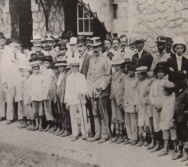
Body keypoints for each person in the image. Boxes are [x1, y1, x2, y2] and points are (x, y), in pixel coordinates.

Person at [87, 37, 112, 144]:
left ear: (101, 47)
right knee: (95, 113)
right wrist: (88, 88)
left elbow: (108, 76)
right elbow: (89, 75)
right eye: (93, 47)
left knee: (103, 113)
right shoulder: (91, 60)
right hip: (93, 91)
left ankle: (105, 134)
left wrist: (102, 86)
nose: (95, 49)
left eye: (97, 47)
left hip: (102, 91)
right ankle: (97, 134)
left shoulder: (106, 60)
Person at [1, 38, 28, 124]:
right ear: (9, 46)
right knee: (9, 98)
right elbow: (2, 69)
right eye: (13, 44)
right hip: (9, 78)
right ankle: (10, 116)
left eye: (16, 44)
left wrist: (24, 76)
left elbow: (26, 67)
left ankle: (21, 116)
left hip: (19, 78)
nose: (15, 46)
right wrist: (4, 81)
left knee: (19, 97)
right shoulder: (5, 56)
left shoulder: (22, 56)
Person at [65, 59, 88, 141]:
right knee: (73, 117)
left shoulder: (82, 76)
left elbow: (85, 87)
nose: (74, 68)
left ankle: (84, 133)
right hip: (72, 99)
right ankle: (75, 133)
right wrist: (67, 101)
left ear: (78, 67)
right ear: (70, 67)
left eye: (76, 67)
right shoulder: (68, 78)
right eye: (73, 66)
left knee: (83, 116)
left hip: (80, 99)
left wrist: (82, 93)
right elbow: (67, 90)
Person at [149, 62, 168, 152]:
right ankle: (157, 143)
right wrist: (154, 104)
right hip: (155, 105)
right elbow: (151, 94)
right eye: (158, 72)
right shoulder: (154, 82)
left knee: (163, 124)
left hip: (163, 106)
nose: (160, 73)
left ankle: (165, 145)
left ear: (164, 73)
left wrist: (162, 105)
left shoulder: (166, 82)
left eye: (162, 72)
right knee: (156, 124)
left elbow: (167, 95)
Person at [172, 72, 188, 161]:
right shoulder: (177, 90)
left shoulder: (186, 91)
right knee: (179, 134)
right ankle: (180, 151)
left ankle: (186, 152)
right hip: (178, 115)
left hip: (184, 116)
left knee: (185, 134)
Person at [158, 80, 176, 157]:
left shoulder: (174, 97)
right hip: (164, 118)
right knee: (165, 132)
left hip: (171, 118)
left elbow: (175, 109)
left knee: (173, 134)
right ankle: (165, 149)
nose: (162, 91)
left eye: (164, 90)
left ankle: (176, 149)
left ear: (168, 91)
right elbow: (161, 105)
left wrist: (173, 119)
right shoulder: (163, 97)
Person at [110, 57, 125, 144]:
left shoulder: (122, 76)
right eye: (115, 65)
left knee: (120, 117)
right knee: (114, 116)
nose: (116, 67)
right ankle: (116, 133)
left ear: (121, 66)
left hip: (119, 98)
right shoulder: (113, 75)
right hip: (113, 97)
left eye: (118, 65)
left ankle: (121, 134)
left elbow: (123, 88)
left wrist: (122, 98)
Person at [55, 57, 71, 137]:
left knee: (65, 113)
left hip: (63, 96)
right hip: (58, 95)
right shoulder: (59, 75)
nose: (60, 68)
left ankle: (67, 128)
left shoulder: (67, 74)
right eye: (59, 67)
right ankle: (63, 127)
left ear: (65, 67)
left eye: (61, 66)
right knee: (60, 112)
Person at [135, 66, 151, 147]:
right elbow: (137, 94)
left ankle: (146, 139)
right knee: (140, 121)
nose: (138, 76)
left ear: (144, 74)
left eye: (139, 75)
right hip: (140, 104)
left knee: (146, 122)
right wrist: (137, 104)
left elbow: (148, 93)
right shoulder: (138, 82)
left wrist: (146, 100)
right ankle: (141, 139)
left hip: (146, 105)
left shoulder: (148, 82)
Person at [123, 62, 138, 145]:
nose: (130, 72)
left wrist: (136, 104)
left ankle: (134, 138)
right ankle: (129, 137)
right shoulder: (126, 78)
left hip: (133, 102)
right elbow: (125, 90)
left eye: (132, 70)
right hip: (127, 101)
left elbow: (137, 92)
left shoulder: (137, 79)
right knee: (127, 121)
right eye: (129, 70)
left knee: (133, 121)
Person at [41, 56, 54, 132]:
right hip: (43, 92)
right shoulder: (42, 70)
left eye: (47, 63)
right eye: (45, 63)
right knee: (46, 109)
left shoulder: (51, 71)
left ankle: (52, 123)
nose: (46, 64)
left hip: (48, 91)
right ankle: (48, 123)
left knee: (50, 108)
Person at [29, 61, 44, 131]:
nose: (36, 70)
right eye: (35, 69)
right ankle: (36, 124)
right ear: (32, 70)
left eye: (37, 69)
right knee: (35, 112)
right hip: (34, 96)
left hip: (40, 96)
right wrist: (31, 95)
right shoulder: (31, 77)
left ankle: (40, 125)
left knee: (40, 112)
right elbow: (29, 87)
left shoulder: (42, 76)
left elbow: (43, 86)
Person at [47, 62, 60, 133]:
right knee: (53, 112)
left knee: (57, 112)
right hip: (51, 97)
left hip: (56, 98)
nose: (55, 71)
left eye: (56, 69)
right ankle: (55, 126)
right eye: (53, 69)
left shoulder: (59, 77)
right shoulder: (53, 77)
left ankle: (59, 126)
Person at [0, 32, 6, 121]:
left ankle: (5, 114)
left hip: (5, 73)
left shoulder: (8, 50)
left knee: (5, 95)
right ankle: (1, 113)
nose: (1, 42)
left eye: (2, 40)